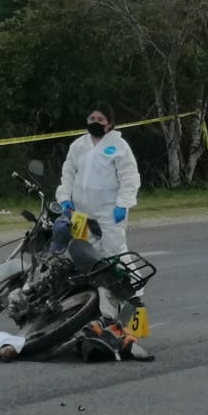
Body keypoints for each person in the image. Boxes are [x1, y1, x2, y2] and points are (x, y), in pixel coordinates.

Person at [56, 102, 142, 318]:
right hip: (80, 213)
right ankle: (89, 306)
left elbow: (129, 178)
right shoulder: (79, 145)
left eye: (100, 120)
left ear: (110, 124)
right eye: (92, 119)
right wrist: (65, 198)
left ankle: (133, 298)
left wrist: (123, 204)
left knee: (115, 255)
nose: (95, 122)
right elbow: (68, 173)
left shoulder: (119, 146)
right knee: (83, 255)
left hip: (109, 211)